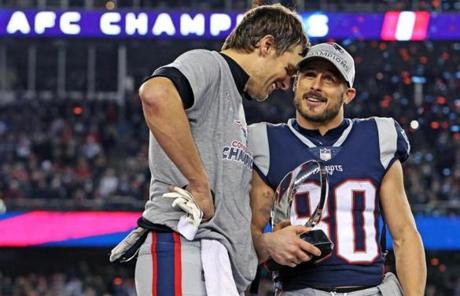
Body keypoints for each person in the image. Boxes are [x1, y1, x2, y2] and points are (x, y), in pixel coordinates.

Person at [110, 4, 310, 296]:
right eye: (289, 69)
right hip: (184, 246)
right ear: (266, 45)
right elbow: (156, 94)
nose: (286, 83)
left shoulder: (232, 99)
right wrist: (198, 183)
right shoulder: (210, 64)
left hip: (212, 263)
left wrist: (265, 244)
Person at [248, 42, 426, 295]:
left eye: (329, 79)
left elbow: (405, 235)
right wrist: (266, 243)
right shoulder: (264, 142)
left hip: (370, 289)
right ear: (296, 82)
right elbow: (248, 233)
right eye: (309, 75)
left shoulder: (378, 136)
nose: (316, 85)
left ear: (348, 94)